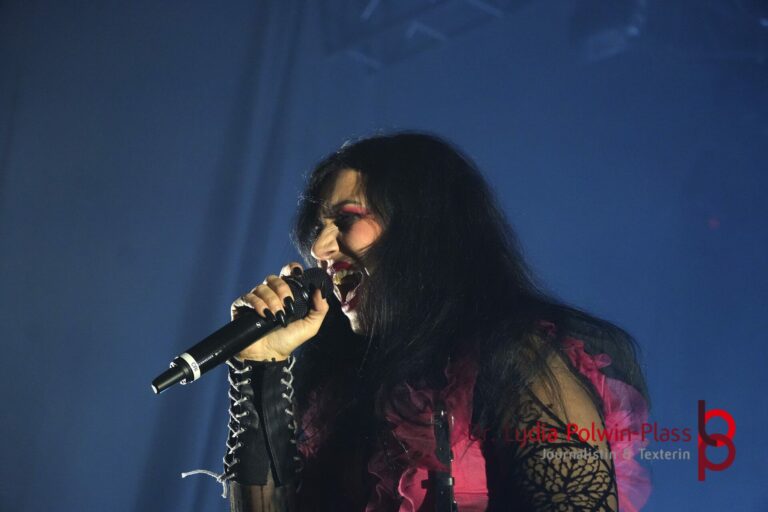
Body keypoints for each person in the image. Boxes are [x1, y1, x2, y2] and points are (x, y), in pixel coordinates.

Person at [212, 133, 651, 511]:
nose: (319, 247)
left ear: (420, 227)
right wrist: (261, 366)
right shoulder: (339, 385)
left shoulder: (517, 359)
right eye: (318, 227)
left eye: (346, 219)